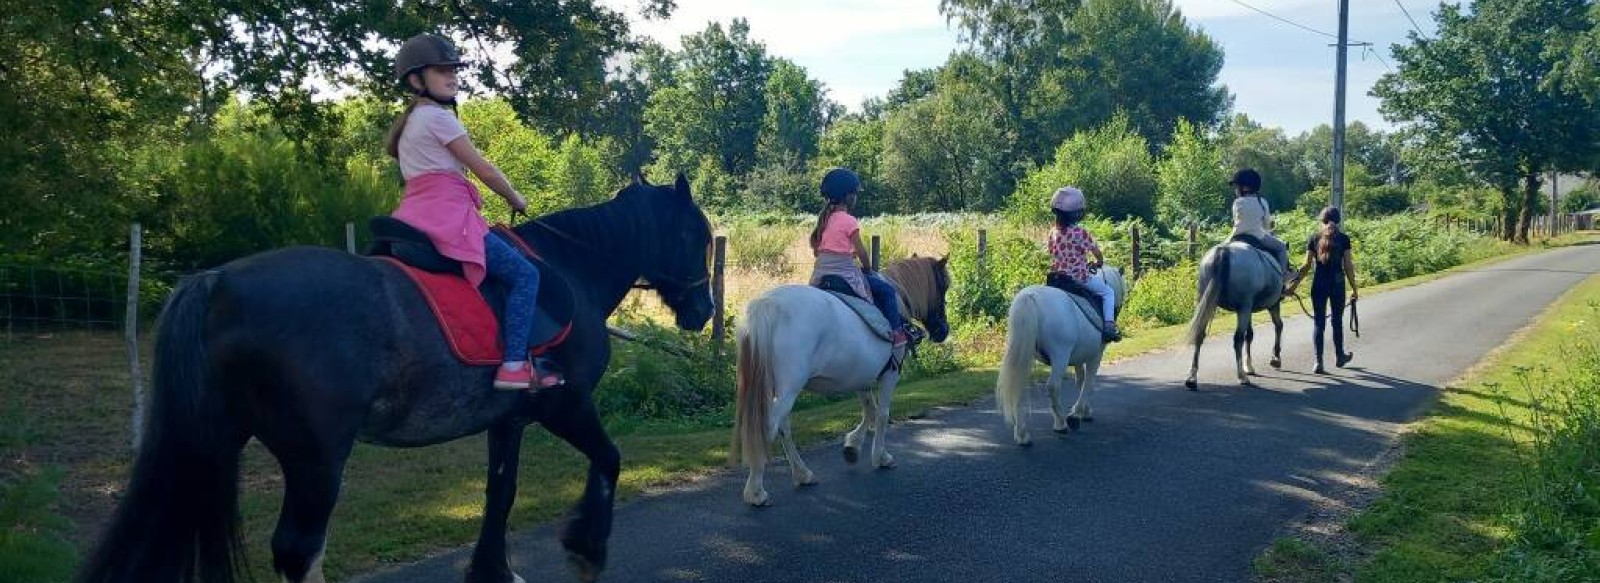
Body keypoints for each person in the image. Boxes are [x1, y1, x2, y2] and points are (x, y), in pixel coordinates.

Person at [386, 33, 562, 391]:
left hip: (414, 216)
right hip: (449, 220)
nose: (452, 77)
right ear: (416, 80)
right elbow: (484, 170)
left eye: (454, 70)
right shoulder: (437, 118)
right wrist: (516, 199)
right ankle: (514, 366)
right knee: (526, 276)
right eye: (441, 71)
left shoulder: (410, 125)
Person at [807, 168, 912, 348]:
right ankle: (897, 333)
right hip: (845, 274)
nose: (856, 197)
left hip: (820, 273)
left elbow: (821, 250)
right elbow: (862, 252)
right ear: (847, 196)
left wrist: (846, 254)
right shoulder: (849, 220)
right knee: (886, 291)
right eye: (854, 194)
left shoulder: (824, 220)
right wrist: (867, 268)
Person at [1286, 206, 1359, 374]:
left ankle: (1318, 362)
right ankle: (1340, 356)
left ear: (1322, 221)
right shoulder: (1344, 239)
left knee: (1319, 322)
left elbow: (1305, 266)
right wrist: (1354, 288)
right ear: (1338, 221)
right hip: (1337, 285)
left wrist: (1293, 286)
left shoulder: (1313, 238)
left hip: (1318, 284)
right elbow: (1348, 266)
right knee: (1337, 321)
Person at [1045, 186, 1120, 342]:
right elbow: (1096, 252)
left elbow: (1052, 252)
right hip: (1078, 277)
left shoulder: (1052, 232)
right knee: (1108, 293)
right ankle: (1109, 326)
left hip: (1057, 278)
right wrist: (1099, 262)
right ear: (1076, 213)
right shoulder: (1079, 232)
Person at [1229, 168, 1289, 273]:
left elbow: (1236, 221)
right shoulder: (1262, 202)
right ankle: (1283, 276)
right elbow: (1266, 225)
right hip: (1258, 236)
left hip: (1235, 236)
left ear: (1244, 187)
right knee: (1282, 247)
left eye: (1237, 186)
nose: (1236, 189)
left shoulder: (1237, 202)